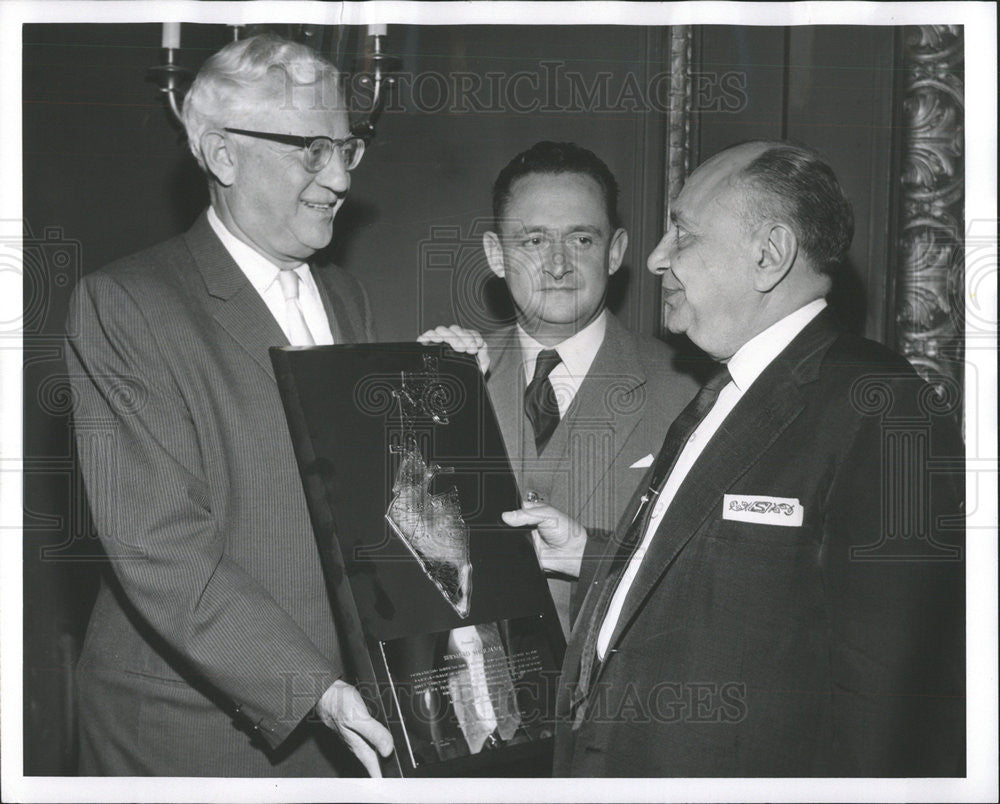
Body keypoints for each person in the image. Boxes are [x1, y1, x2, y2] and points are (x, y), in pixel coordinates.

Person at [505, 141, 966, 776]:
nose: (657, 258)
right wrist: (587, 550)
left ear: (769, 255)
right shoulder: (728, 389)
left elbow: (889, 698)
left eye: (683, 235)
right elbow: (731, 580)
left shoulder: (880, 405)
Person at [65, 34, 392, 776]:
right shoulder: (127, 305)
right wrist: (315, 689)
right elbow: (161, 548)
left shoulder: (348, 296)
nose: (339, 176)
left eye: (349, 146)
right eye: (312, 148)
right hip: (189, 730)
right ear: (221, 155)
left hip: (341, 717)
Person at [420, 141, 698, 637]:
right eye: (532, 242)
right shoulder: (447, 377)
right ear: (496, 255)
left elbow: (707, 576)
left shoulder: (690, 392)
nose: (557, 265)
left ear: (615, 252)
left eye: (582, 241)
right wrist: (423, 407)